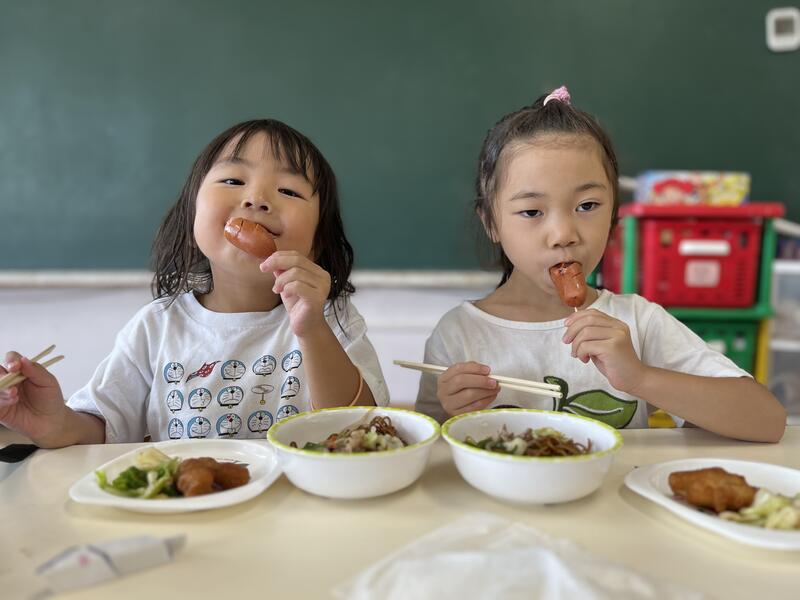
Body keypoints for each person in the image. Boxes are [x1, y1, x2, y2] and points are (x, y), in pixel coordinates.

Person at [415, 86, 785, 443]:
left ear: (613, 215)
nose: (563, 234)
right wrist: (449, 413)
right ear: (491, 223)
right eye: (531, 211)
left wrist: (640, 378)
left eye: (587, 205)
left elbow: (767, 422)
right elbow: (423, 446)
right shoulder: (459, 333)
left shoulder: (637, 322)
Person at [1, 119, 389, 446]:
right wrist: (53, 423)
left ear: (318, 242)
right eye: (233, 180)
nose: (256, 199)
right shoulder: (157, 328)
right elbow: (103, 429)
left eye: (288, 190)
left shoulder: (332, 321)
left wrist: (313, 330)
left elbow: (362, 428)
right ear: (192, 221)